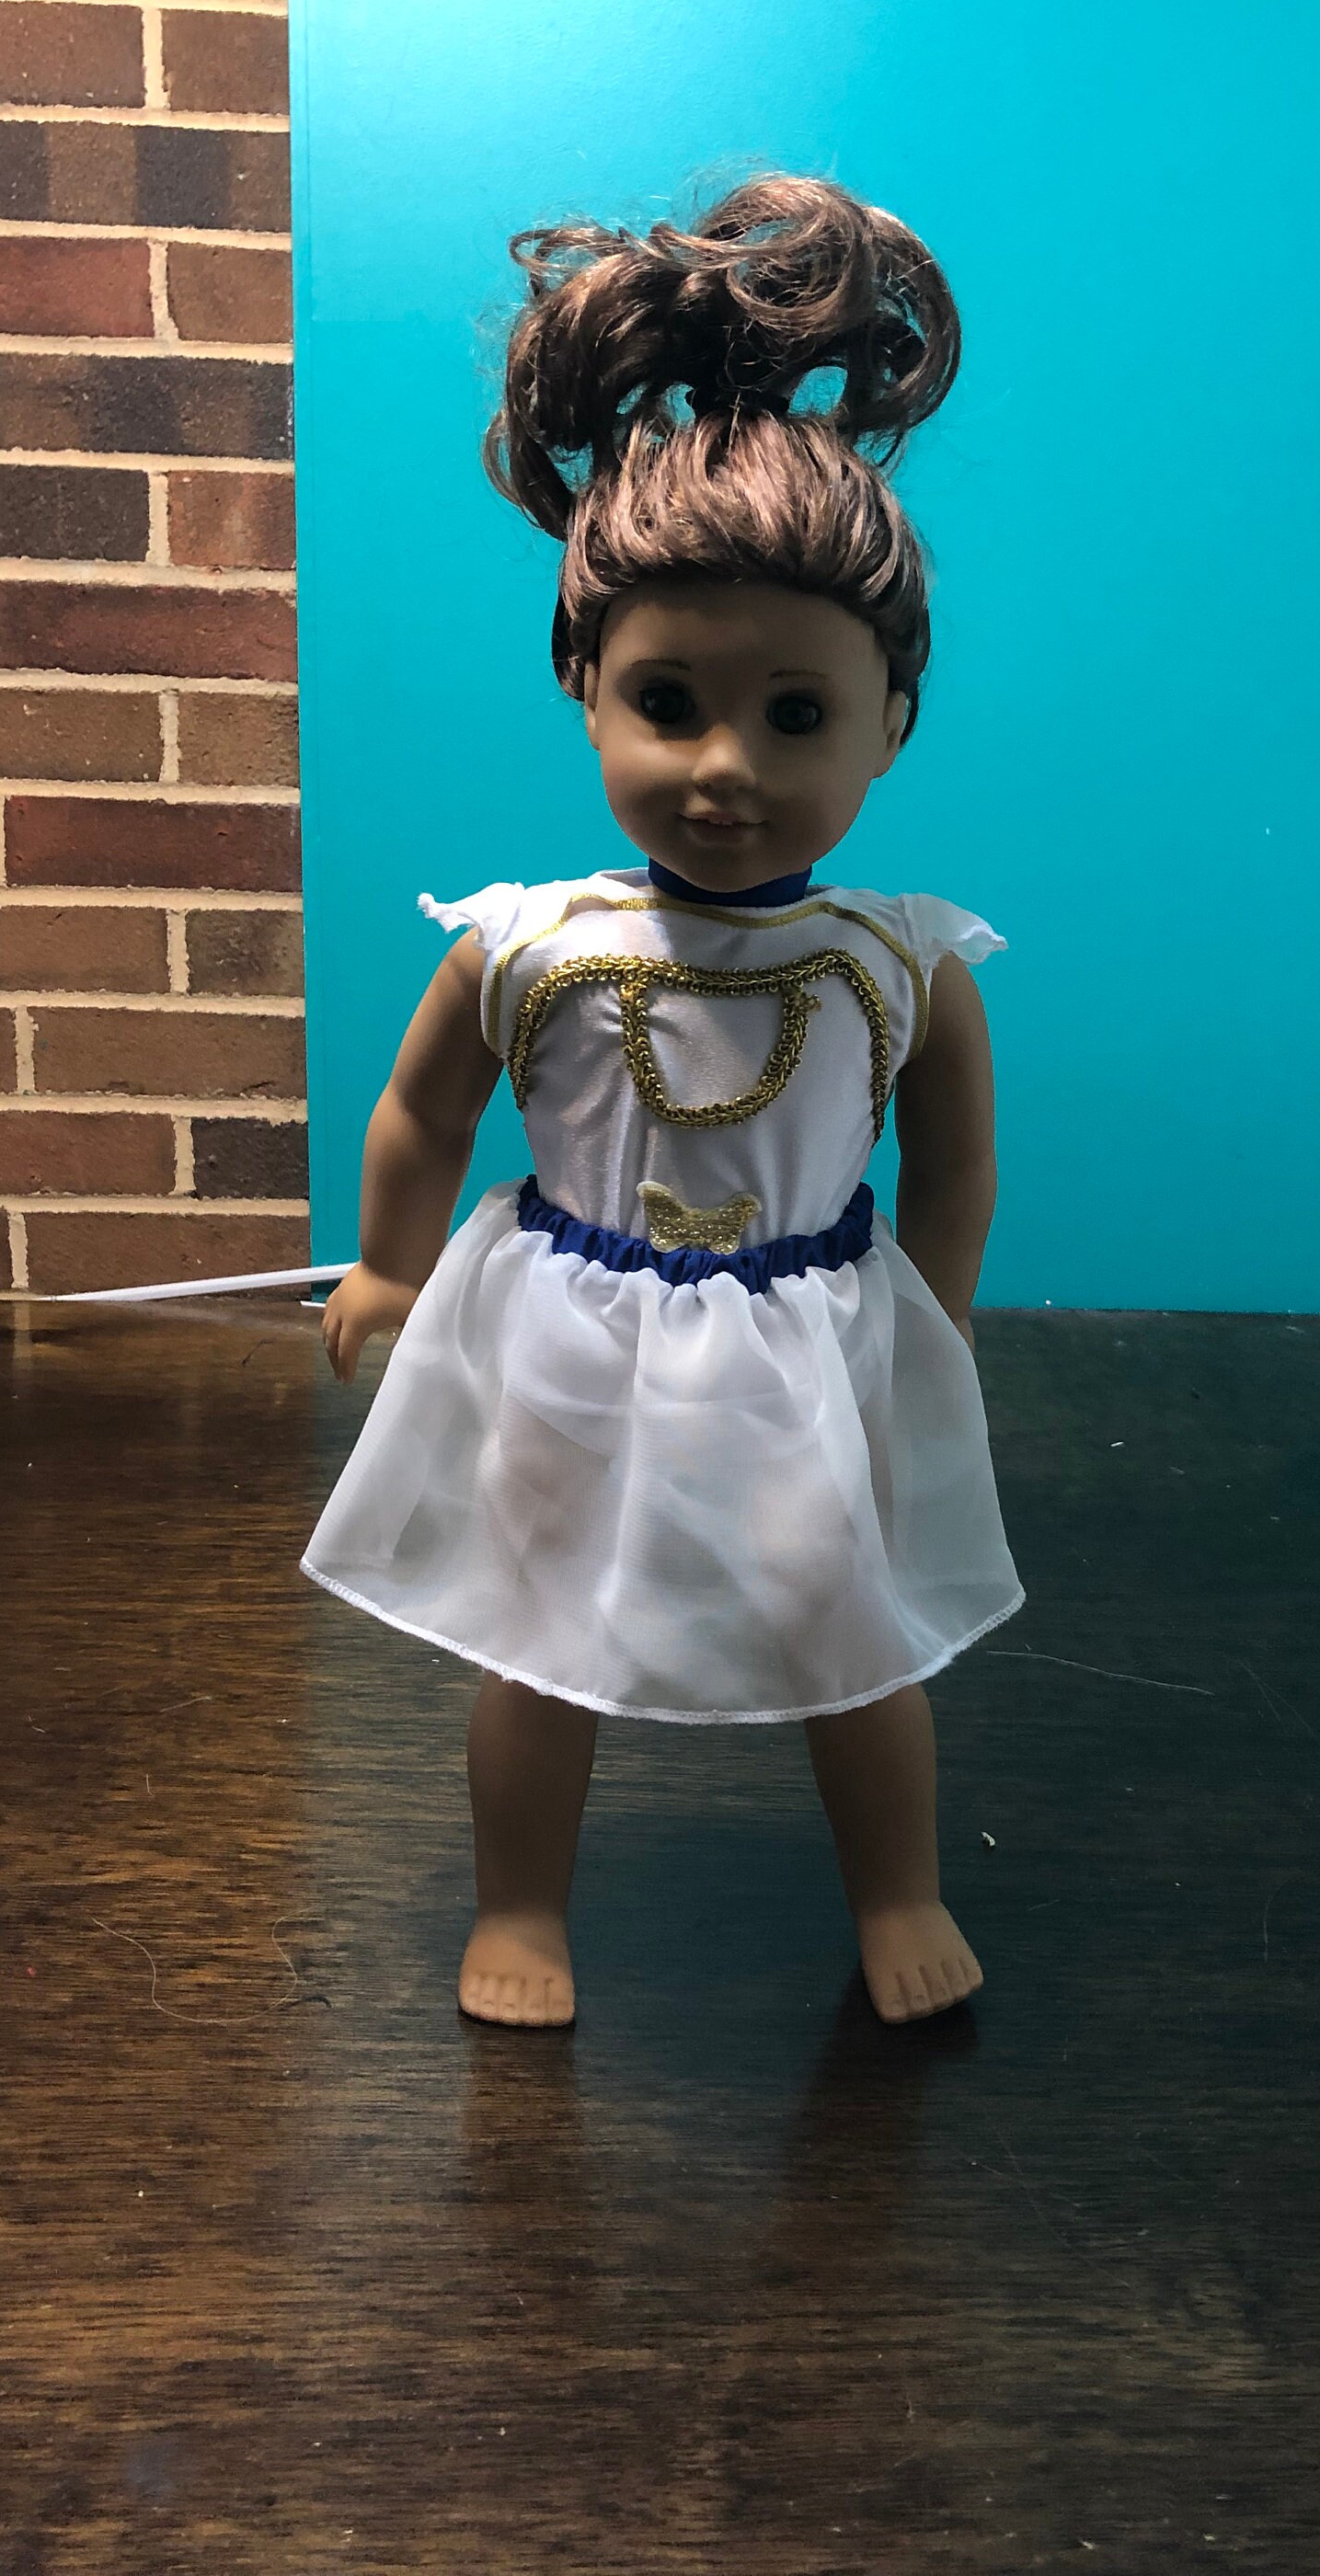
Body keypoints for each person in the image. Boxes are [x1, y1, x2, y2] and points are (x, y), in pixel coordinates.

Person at [304, 174, 1023, 2031]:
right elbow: (422, 1111)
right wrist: (388, 1267)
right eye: (667, 700)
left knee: (851, 1620)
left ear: (891, 720)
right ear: (584, 687)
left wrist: (933, 1310)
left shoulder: (898, 961)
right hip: (574, 1324)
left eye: (796, 716)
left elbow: (955, 1155)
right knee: (541, 1633)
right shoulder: (527, 943)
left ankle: (899, 1889)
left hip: (809, 1329)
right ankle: (521, 1903)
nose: (723, 768)